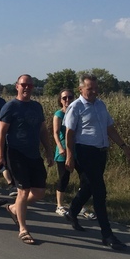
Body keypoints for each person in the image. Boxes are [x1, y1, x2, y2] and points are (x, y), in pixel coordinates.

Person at [63, 73, 130, 250]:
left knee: (89, 186)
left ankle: (72, 210)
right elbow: (69, 134)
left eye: (96, 88)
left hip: (100, 153)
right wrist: (70, 156)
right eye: (90, 89)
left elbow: (110, 128)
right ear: (81, 89)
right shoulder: (76, 107)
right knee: (100, 192)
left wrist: (124, 146)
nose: (94, 92)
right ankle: (107, 234)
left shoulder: (100, 105)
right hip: (85, 153)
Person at [0, 74, 53, 245]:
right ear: (17, 86)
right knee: (23, 191)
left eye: (30, 85)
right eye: (24, 84)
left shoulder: (37, 107)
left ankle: (14, 208)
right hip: (16, 153)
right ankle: (23, 228)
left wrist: (49, 151)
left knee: (39, 192)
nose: (27, 87)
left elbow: (43, 131)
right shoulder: (10, 107)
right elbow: (1, 133)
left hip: (34, 154)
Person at [52, 89, 96, 219]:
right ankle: (59, 205)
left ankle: (80, 206)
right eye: (64, 98)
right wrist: (60, 147)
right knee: (64, 178)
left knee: (84, 179)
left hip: (77, 150)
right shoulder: (59, 114)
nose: (67, 100)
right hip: (63, 150)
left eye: (70, 97)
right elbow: (55, 133)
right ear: (60, 100)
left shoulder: (77, 112)